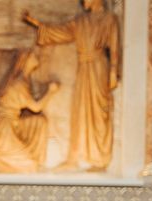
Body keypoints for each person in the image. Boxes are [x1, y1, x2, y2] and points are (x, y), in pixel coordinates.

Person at [24, 0, 120, 171]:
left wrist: (113, 70)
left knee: (98, 112)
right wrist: (36, 23)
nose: (84, 1)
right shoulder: (81, 21)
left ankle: (99, 158)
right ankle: (76, 157)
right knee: (81, 110)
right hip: (84, 68)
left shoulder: (109, 19)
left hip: (98, 68)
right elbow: (62, 31)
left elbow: (114, 46)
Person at [0, 49, 59, 173]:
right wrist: (51, 91)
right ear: (26, 59)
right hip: (4, 126)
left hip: (13, 121)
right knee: (29, 166)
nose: (37, 57)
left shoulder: (22, 81)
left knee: (39, 121)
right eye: (33, 55)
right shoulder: (18, 84)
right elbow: (36, 107)